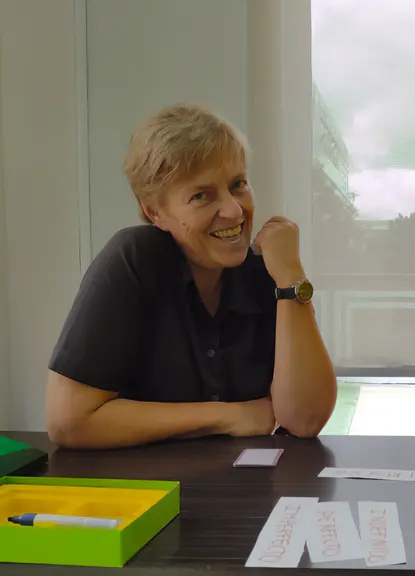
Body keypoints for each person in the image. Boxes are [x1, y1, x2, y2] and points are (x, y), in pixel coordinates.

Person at [45, 103, 337, 449]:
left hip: (244, 493)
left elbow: (304, 419)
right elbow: (69, 421)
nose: (233, 210)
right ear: (155, 212)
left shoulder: (266, 268)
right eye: (201, 195)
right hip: (144, 491)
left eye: (238, 184)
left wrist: (291, 278)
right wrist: (227, 416)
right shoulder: (134, 259)